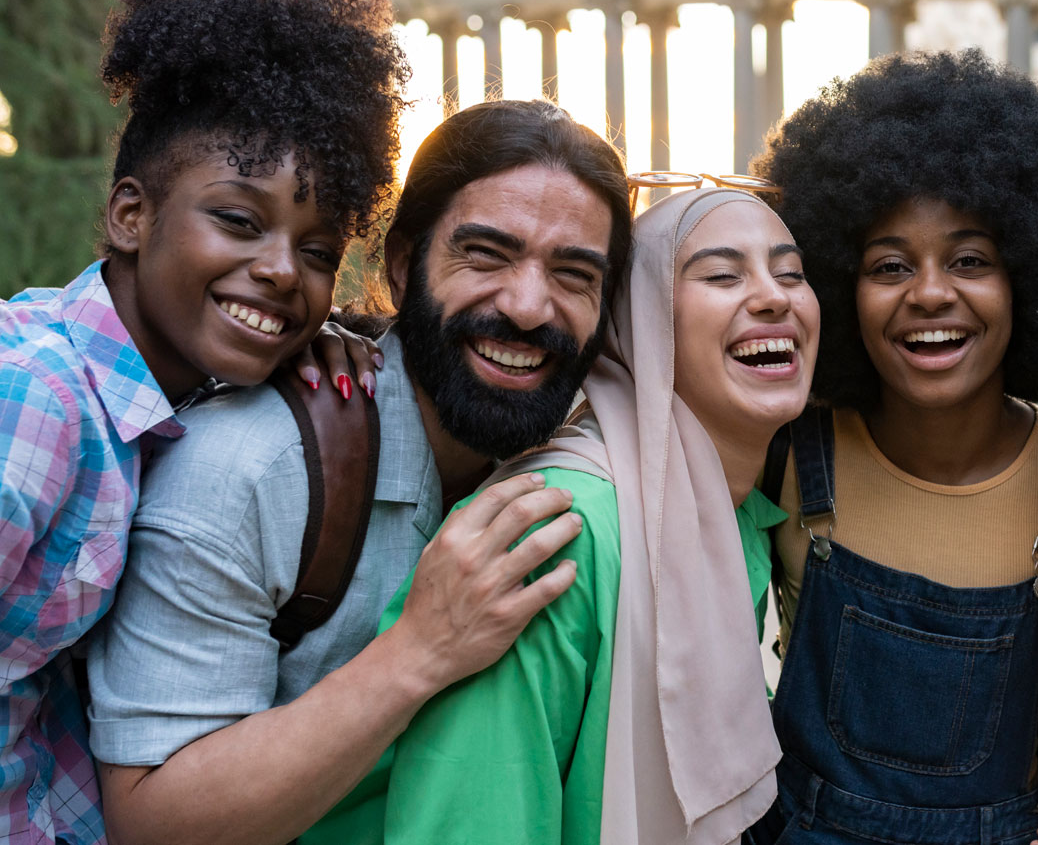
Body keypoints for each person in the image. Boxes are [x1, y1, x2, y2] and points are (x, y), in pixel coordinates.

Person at [0, 0, 403, 844]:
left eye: (316, 250)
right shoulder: (8, 397)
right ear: (130, 215)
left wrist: (323, 330)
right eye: (238, 219)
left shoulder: (158, 393)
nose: (278, 267)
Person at [83, 98, 630, 845]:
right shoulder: (246, 470)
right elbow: (151, 822)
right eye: (487, 256)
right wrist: (419, 651)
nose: (530, 307)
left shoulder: (568, 460)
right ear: (403, 267)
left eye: (574, 275)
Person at [307, 186, 818, 845]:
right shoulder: (554, 529)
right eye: (722, 275)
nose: (773, 296)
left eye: (792, 273)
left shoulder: (732, 520)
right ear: (636, 323)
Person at [745, 48, 1038, 845]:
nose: (930, 293)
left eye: (970, 260)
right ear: (840, 283)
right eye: (889, 264)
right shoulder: (779, 457)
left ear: (1031, 275)